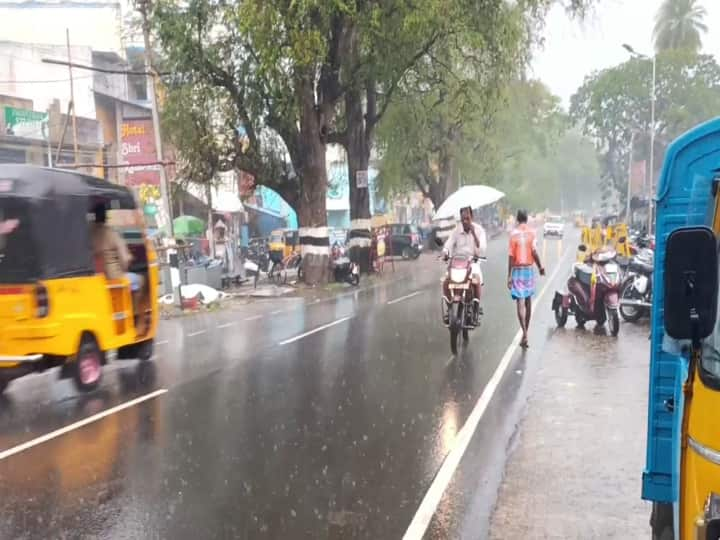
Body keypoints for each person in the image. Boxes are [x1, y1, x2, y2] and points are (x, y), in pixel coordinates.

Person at [508, 209, 545, 348]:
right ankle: (525, 334)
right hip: (528, 270)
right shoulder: (532, 233)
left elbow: (511, 256)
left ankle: (524, 333)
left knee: (520, 303)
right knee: (528, 301)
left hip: (517, 270)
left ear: (517, 219)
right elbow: (534, 252)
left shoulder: (513, 234)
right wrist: (541, 267)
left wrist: (509, 275)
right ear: (526, 219)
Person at [443, 206, 487, 319]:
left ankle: (476, 308)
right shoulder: (456, 230)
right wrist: (445, 252)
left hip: (472, 262)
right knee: (446, 281)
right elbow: (449, 244)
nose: (465, 221)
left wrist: (473, 233)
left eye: (467, 218)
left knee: (476, 279)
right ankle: (449, 308)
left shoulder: (479, 230)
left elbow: (482, 249)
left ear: (472, 217)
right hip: (457, 263)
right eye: (463, 219)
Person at [90, 202, 142, 293]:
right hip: (113, 277)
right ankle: (135, 307)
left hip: (95, 279)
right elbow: (125, 259)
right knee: (140, 280)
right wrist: (123, 268)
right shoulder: (111, 233)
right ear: (106, 216)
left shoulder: (89, 235)